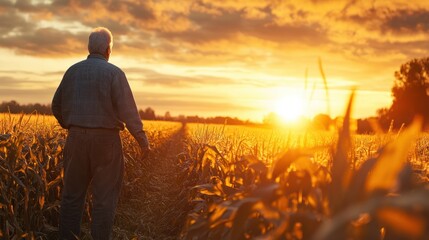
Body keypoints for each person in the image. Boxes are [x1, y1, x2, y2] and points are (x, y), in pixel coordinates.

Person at [52, 27, 150, 239]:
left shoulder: (72, 71)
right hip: (107, 142)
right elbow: (128, 111)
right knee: (104, 200)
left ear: (89, 48)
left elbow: (56, 105)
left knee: (71, 198)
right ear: (108, 50)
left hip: (76, 139)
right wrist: (143, 141)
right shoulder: (114, 73)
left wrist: (71, 125)